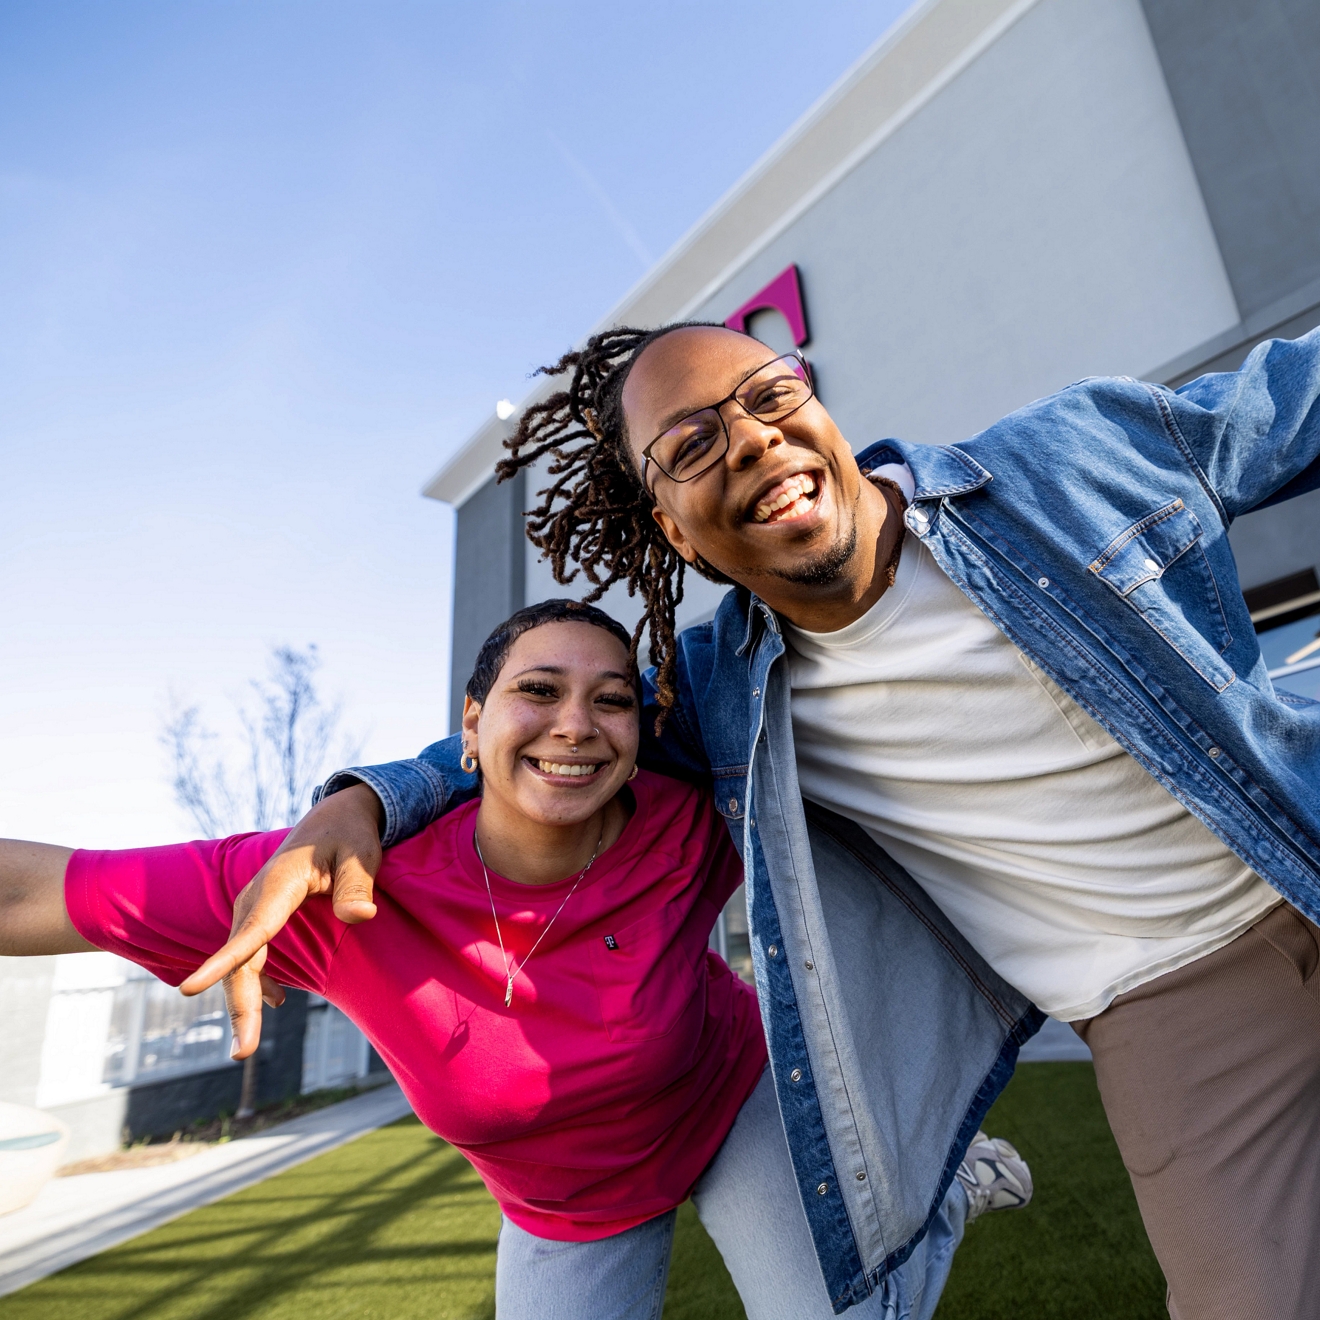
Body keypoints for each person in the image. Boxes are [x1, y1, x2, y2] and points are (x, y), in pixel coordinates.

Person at [220, 322, 1320, 1319]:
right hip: (1165, 1004)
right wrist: (362, 801)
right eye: (691, 444)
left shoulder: (1065, 460)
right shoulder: (723, 696)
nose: (748, 440)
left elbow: (1291, 397)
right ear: (676, 532)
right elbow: (544, 738)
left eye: (767, 394)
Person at [0, 599, 1028, 1320]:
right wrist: (355, 800)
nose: (576, 725)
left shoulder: (680, 819)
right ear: (470, 724)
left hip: (731, 1103)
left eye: (612, 700)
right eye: (538, 691)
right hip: (566, 1207)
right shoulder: (324, 880)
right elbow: (37, 887)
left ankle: (930, 1190)